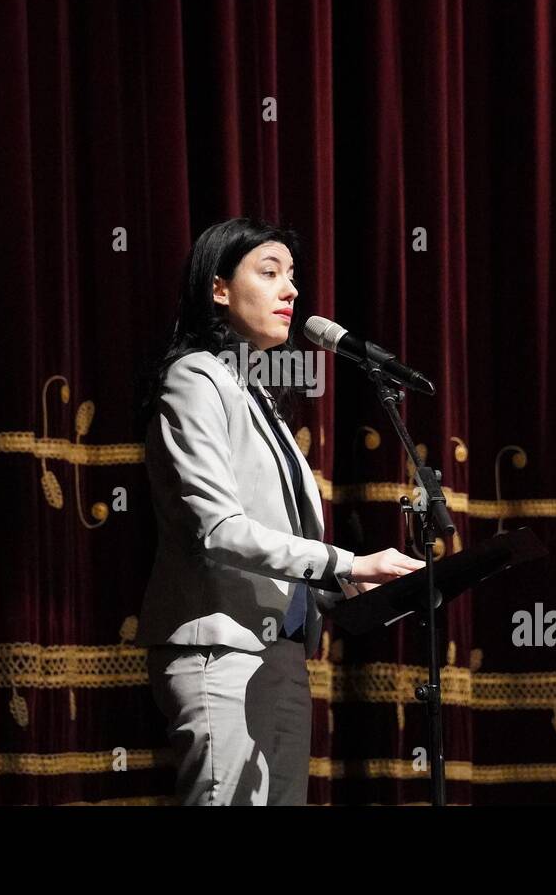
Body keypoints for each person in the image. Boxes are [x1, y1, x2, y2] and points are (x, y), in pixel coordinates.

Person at [136, 216, 425, 805]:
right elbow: (218, 531)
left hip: (282, 651)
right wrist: (347, 562)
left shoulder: (256, 391)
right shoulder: (195, 379)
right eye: (270, 273)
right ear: (218, 288)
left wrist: (350, 590)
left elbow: (280, 537)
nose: (292, 290)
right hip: (222, 649)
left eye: (292, 275)